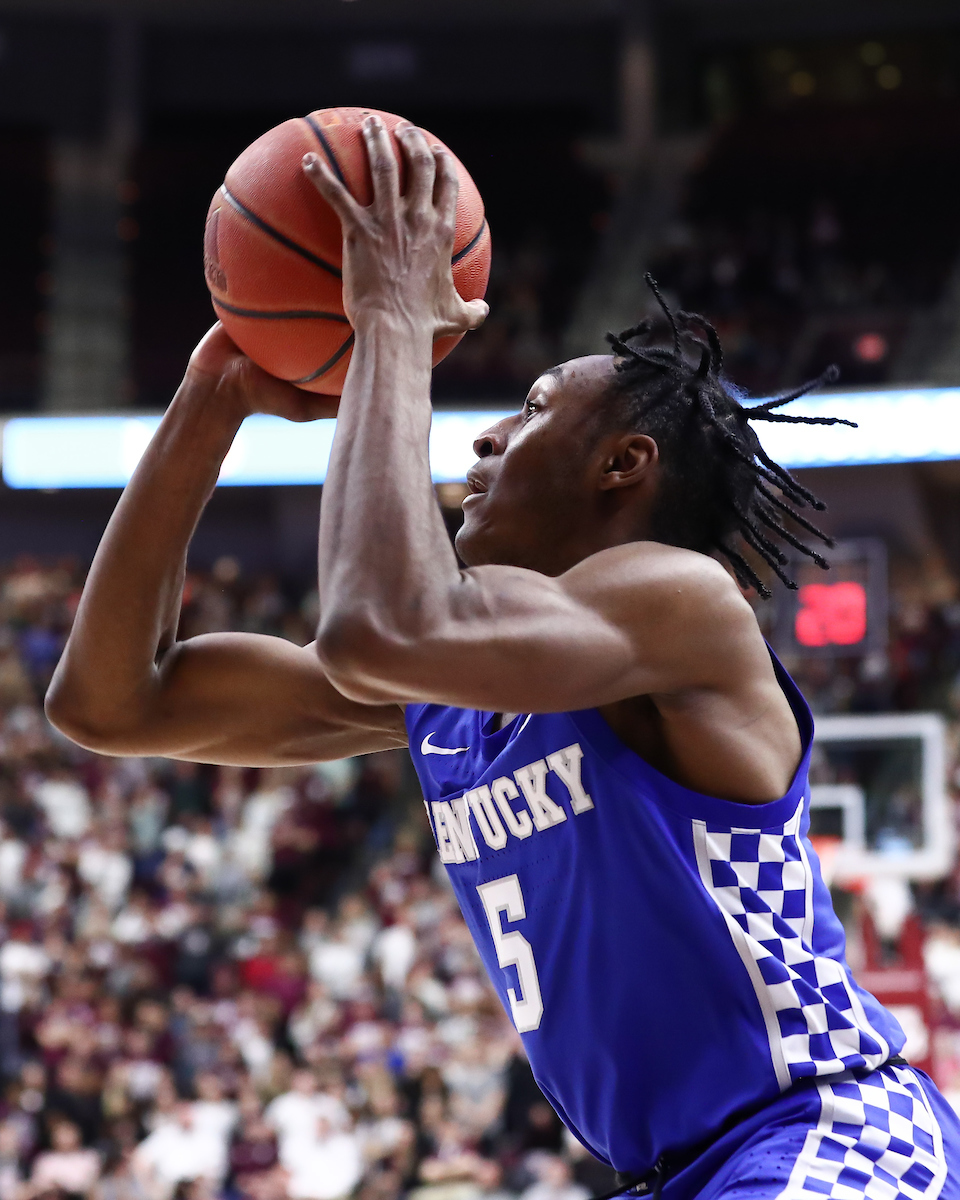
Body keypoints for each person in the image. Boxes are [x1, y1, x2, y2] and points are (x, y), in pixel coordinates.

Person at [46, 115, 960, 1199]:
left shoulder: (677, 604)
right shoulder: (444, 692)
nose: (481, 440)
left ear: (622, 465)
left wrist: (387, 317)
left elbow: (377, 624)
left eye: (528, 412)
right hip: (674, 1175)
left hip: (827, 1130)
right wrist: (210, 400)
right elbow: (111, 701)